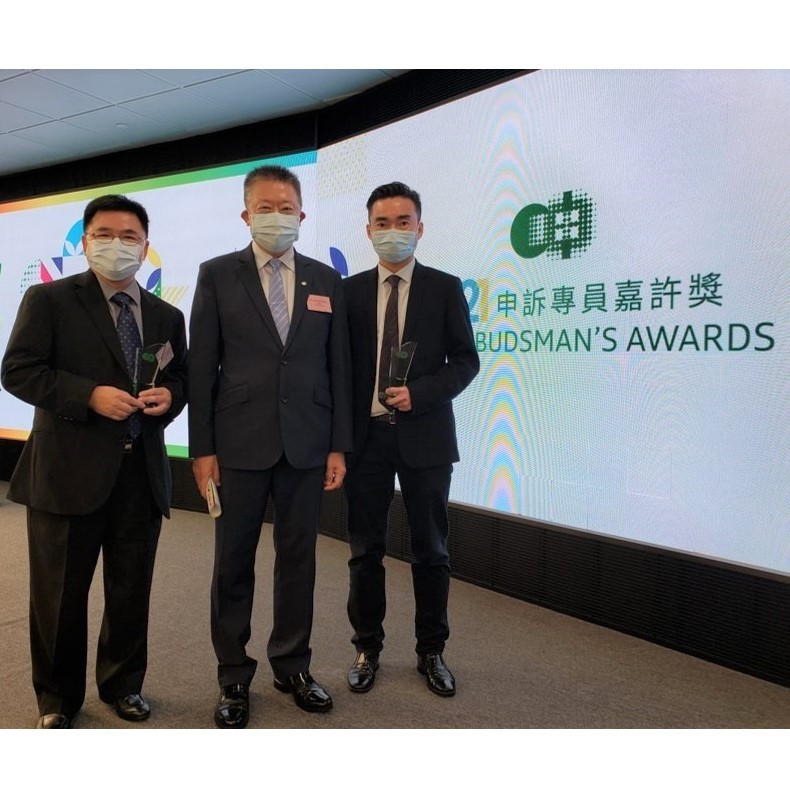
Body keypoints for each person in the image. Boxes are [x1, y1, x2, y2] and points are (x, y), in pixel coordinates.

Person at [1, 194, 188, 728]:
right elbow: (18, 371)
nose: (117, 245)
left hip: (140, 475)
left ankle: (124, 685)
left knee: (131, 591)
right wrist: (89, 395)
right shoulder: (49, 299)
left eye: (129, 237)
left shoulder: (166, 315)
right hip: (65, 475)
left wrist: (168, 399)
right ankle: (57, 700)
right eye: (104, 234)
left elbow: (180, 379)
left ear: (146, 247)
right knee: (59, 596)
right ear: (84, 242)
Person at [188, 164, 352, 727]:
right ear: (246, 214)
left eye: (286, 208)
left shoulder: (324, 279)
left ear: (302, 215)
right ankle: (233, 676)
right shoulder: (216, 275)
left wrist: (339, 446)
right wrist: (200, 450)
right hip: (236, 445)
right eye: (265, 207)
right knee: (232, 563)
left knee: (298, 561)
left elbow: (338, 369)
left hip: (308, 444)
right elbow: (202, 368)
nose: (276, 216)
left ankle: (292, 665)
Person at [342, 181, 479, 697]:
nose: (393, 232)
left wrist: (419, 393)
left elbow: (466, 361)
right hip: (366, 440)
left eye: (404, 222)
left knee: (432, 550)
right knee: (364, 552)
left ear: (420, 229)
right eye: (383, 223)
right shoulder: (348, 291)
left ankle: (431, 651)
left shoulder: (445, 288)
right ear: (369, 229)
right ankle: (366, 647)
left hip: (426, 439)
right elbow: (339, 369)